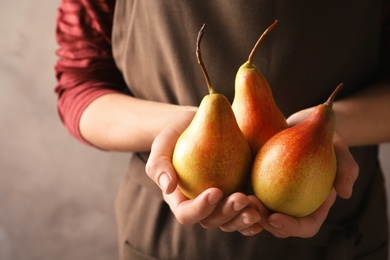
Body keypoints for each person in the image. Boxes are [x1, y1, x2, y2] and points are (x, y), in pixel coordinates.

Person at [54, 0, 390, 259]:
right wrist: (178, 128)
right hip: (167, 235)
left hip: (339, 233)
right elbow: (79, 85)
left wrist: (328, 127)